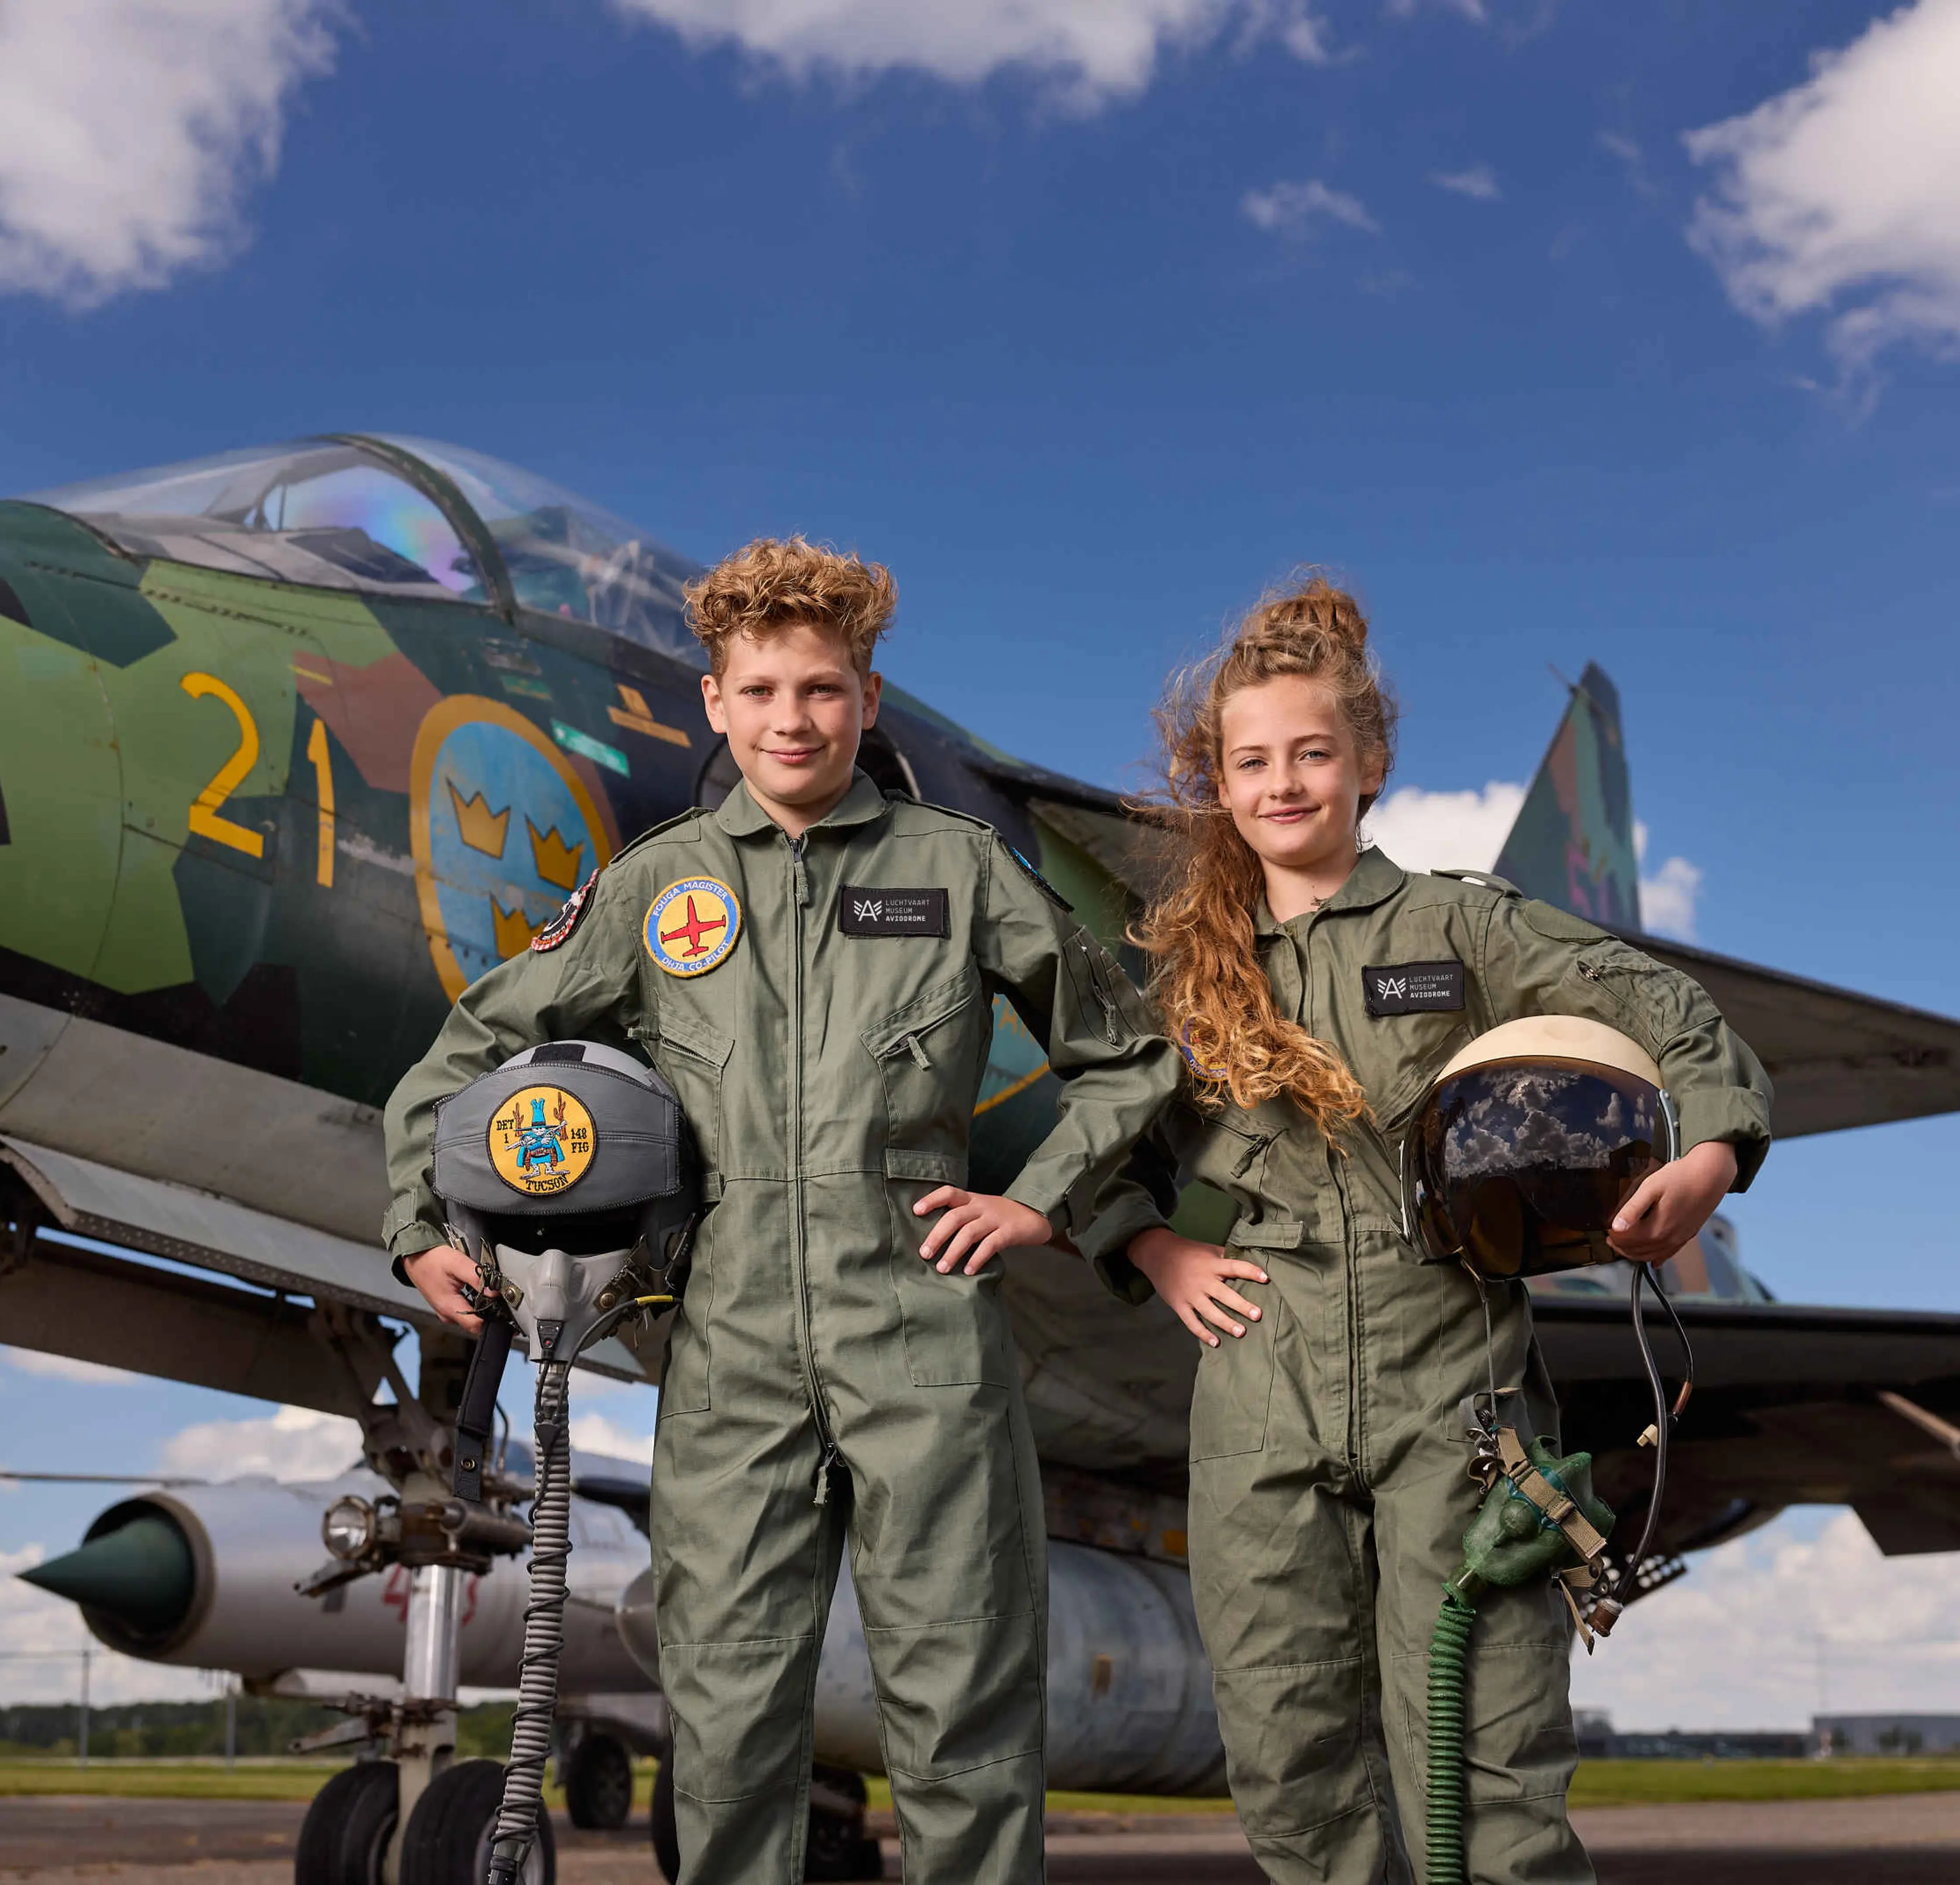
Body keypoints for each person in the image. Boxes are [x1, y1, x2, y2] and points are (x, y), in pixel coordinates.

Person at [381, 536, 1180, 1885]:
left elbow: (1134, 1059)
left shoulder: (962, 868)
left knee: (964, 1703)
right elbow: (476, 1041)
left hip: (920, 1320)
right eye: (759, 691)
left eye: (820, 689)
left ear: (866, 697)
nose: (790, 719)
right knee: (730, 1710)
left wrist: (1039, 1203)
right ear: (716, 702)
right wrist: (417, 1213)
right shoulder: (658, 883)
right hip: (726, 1331)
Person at [1079, 576, 1771, 1885]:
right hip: (1258, 1382)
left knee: (1489, 1768)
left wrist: (1715, 1152)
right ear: (1216, 781)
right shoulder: (1181, 973)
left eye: (1313, 754)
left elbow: (1667, 1005)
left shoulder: (1461, 926)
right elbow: (1093, 1135)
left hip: (1453, 1375)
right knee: (1289, 1767)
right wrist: (1149, 1246)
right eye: (1252, 762)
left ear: (1370, 763)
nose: (1284, 785)